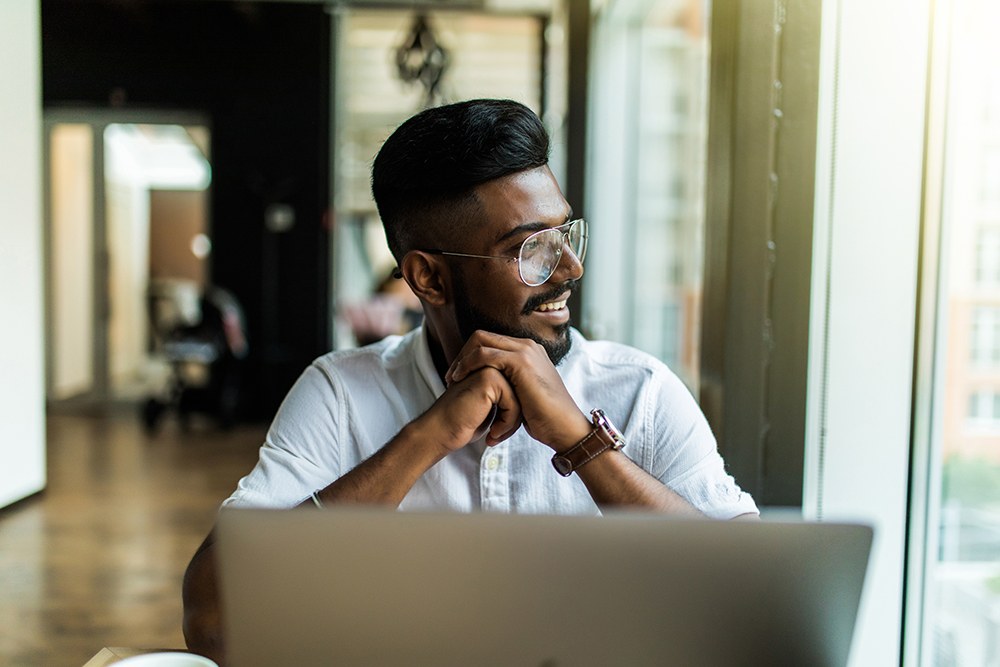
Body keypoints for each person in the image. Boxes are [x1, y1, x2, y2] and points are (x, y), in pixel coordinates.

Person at [181, 98, 758, 662]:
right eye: (530, 248)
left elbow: (753, 610)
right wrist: (428, 435)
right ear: (428, 278)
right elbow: (214, 624)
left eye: (565, 235)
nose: (570, 268)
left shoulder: (641, 392)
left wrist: (584, 442)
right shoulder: (341, 393)